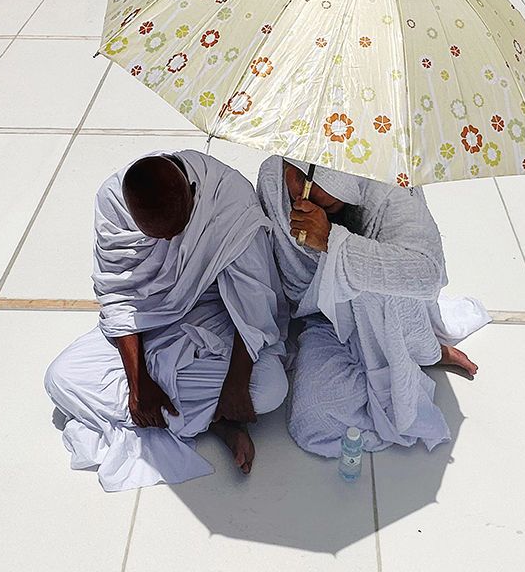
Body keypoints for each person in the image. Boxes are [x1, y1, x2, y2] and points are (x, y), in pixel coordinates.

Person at [44, 151, 288, 492]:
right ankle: (214, 422)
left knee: (270, 389)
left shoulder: (230, 198)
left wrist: (235, 384)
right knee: (61, 378)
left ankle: (186, 417)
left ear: (192, 191)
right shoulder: (113, 203)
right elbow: (118, 295)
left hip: (213, 310)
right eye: (157, 237)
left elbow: (255, 304)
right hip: (149, 317)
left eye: (177, 231)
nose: (171, 244)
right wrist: (139, 383)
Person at [256, 156, 487, 458]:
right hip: (322, 320)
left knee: (381, 287)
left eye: (312, 179)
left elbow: (428, 273)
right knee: (314, 422)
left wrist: (331, 241)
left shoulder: (392, 188)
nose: (298, 191)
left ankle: (424, 350)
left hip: (387, 318)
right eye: (294, 174)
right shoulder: (274, 178)